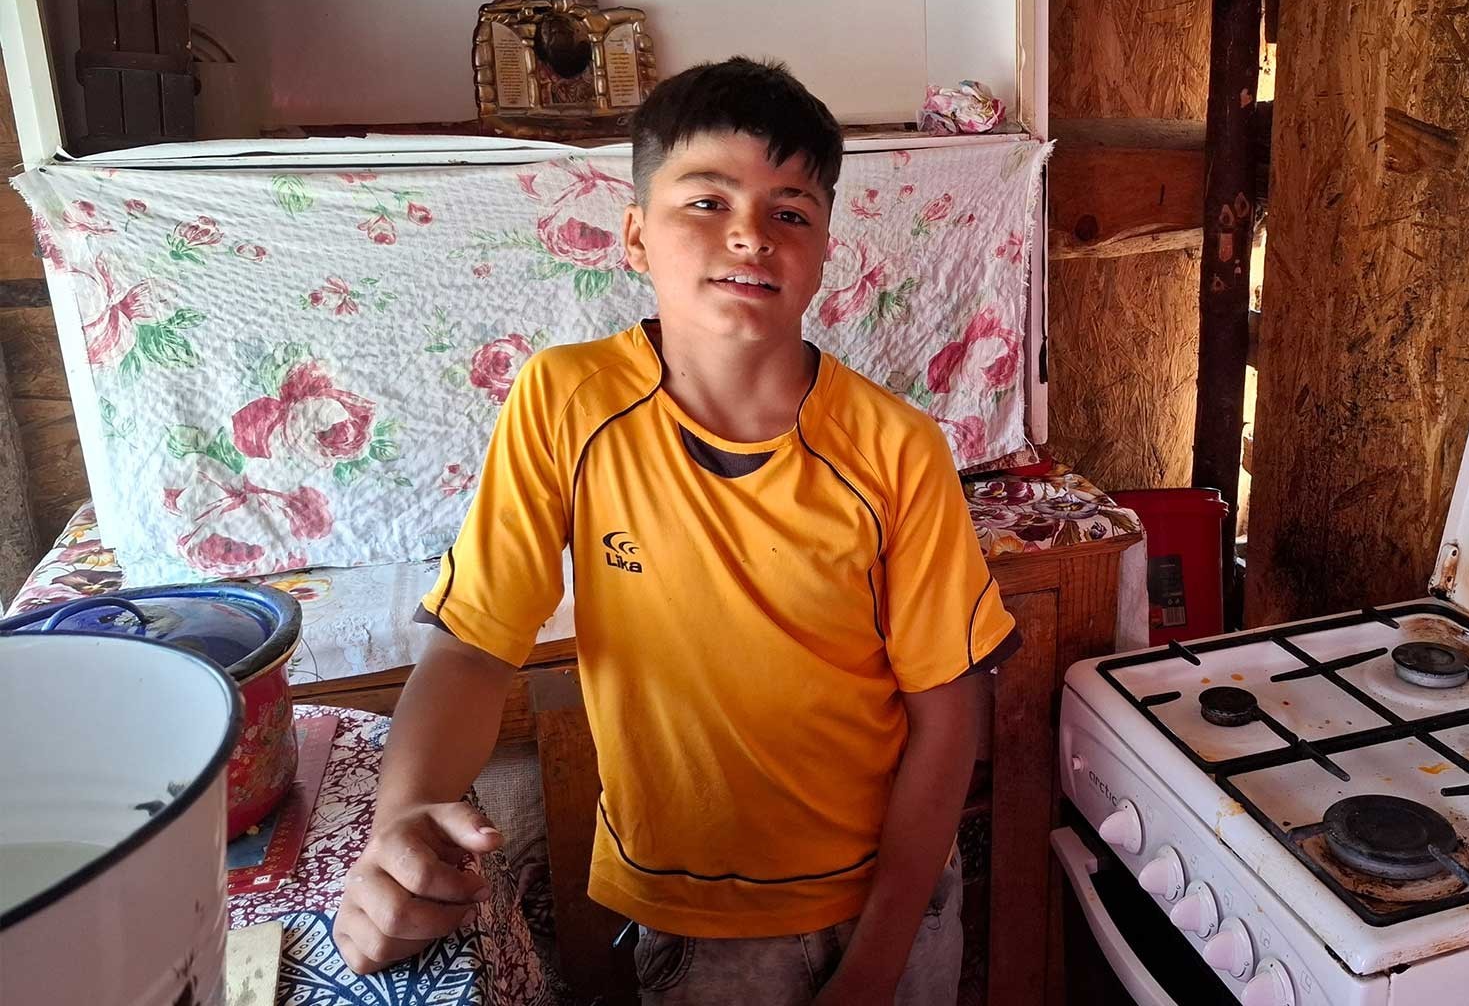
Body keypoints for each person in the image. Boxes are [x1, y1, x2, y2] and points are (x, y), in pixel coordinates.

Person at [331, 57, 1020, 1006]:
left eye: (790, 212)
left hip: (889, 906)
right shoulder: (565, 403)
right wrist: (399, 823)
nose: (750, 234)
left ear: (824, 252)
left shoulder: (897, 447)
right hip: (695, 919)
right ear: (634, 235)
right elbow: (475, 646)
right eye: (706, 201)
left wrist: (875, 963)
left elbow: (946, 709)